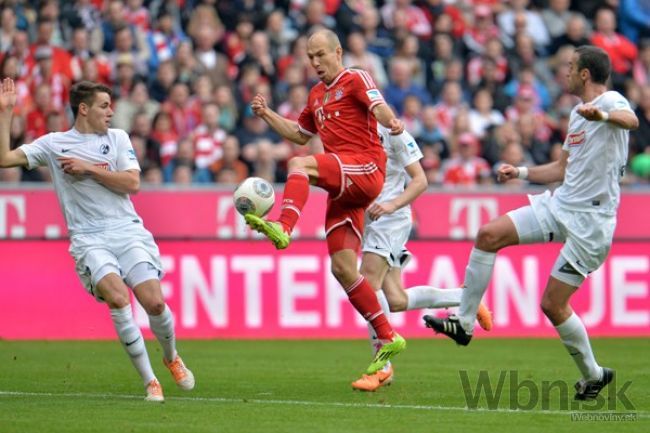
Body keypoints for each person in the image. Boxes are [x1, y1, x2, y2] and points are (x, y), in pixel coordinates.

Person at [424, 46, 639, 401]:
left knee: (552, 305)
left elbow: (630, 121)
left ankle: (594, 375)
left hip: (593, 224)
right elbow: (560, 169)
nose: (565, 73)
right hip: (561, 205)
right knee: (488, 235)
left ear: (585, 74)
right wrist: (520, 172)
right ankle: (463, 323)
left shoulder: (611, 100)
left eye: (570, 67)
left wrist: (601, 115)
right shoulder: (576, 113)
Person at [0, 79, 194, 402]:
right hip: (89, 238)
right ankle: (150, 382)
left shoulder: (117, 138)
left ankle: (171, 357)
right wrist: (5, 113)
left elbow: (132, 182)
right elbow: (4, 159)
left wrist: (89, 169)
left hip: (127, 230)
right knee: (118, 299)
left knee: (155, 303)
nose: (111, 111)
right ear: (84, 109)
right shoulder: (54, 144)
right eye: (104, 106)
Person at [246, 29, 406, 376]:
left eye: (321, 55)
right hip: (344, 188)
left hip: (365, 168)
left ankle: (283, 227)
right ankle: (387, 335)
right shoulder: (317, 94)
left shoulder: (355, 77)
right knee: (343, 268)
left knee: (299, 164)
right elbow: (300, 134)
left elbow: (377, 105)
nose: (316, 63)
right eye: (310, 57)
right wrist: (267, 114)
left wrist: (390, 121)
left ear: (338, 51)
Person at [351, 125, 493, 392]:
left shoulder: (395, 133)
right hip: (369, 220)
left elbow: (420, 180)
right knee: (396, 299)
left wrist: (392, 205)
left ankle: (382, 366)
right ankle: (464, 298)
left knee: (368, 284)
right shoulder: (349, 129)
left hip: (390, 217)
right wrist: (267, 114)